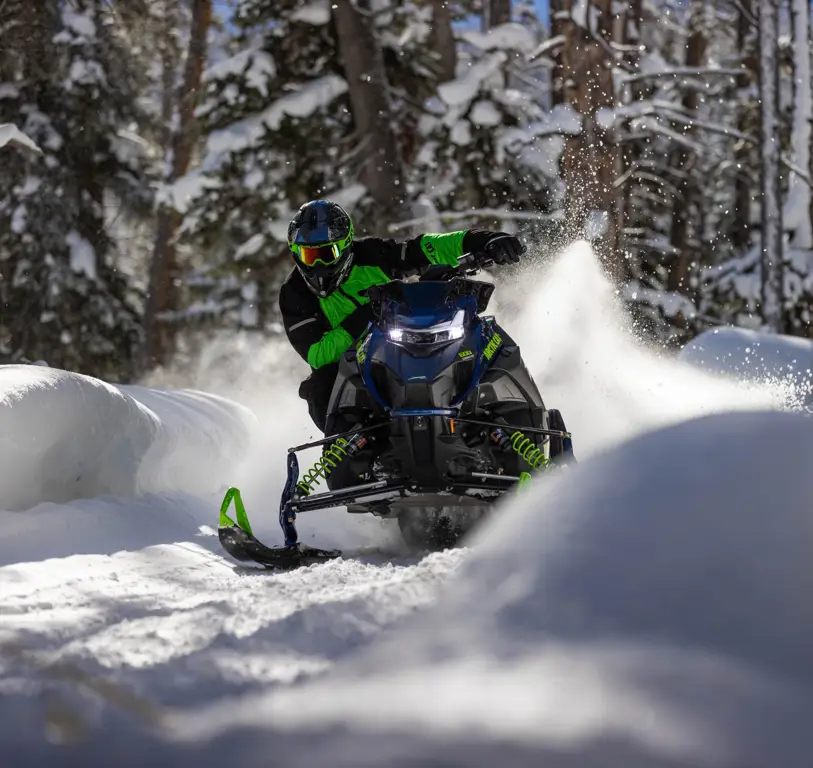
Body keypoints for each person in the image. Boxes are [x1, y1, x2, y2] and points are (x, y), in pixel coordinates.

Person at [279, 199, 525, 432]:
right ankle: (351, 452)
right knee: (319, 386)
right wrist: (366, 316)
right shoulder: (294, 293)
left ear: (345, 246)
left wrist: (483, 241)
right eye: (308, 256)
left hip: (406, 338)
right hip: (357, 364)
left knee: (480, 338)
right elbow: (318, 355)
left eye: (326, 254)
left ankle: (509, 419)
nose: (318, 266)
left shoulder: (372, 255)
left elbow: (426, 248)